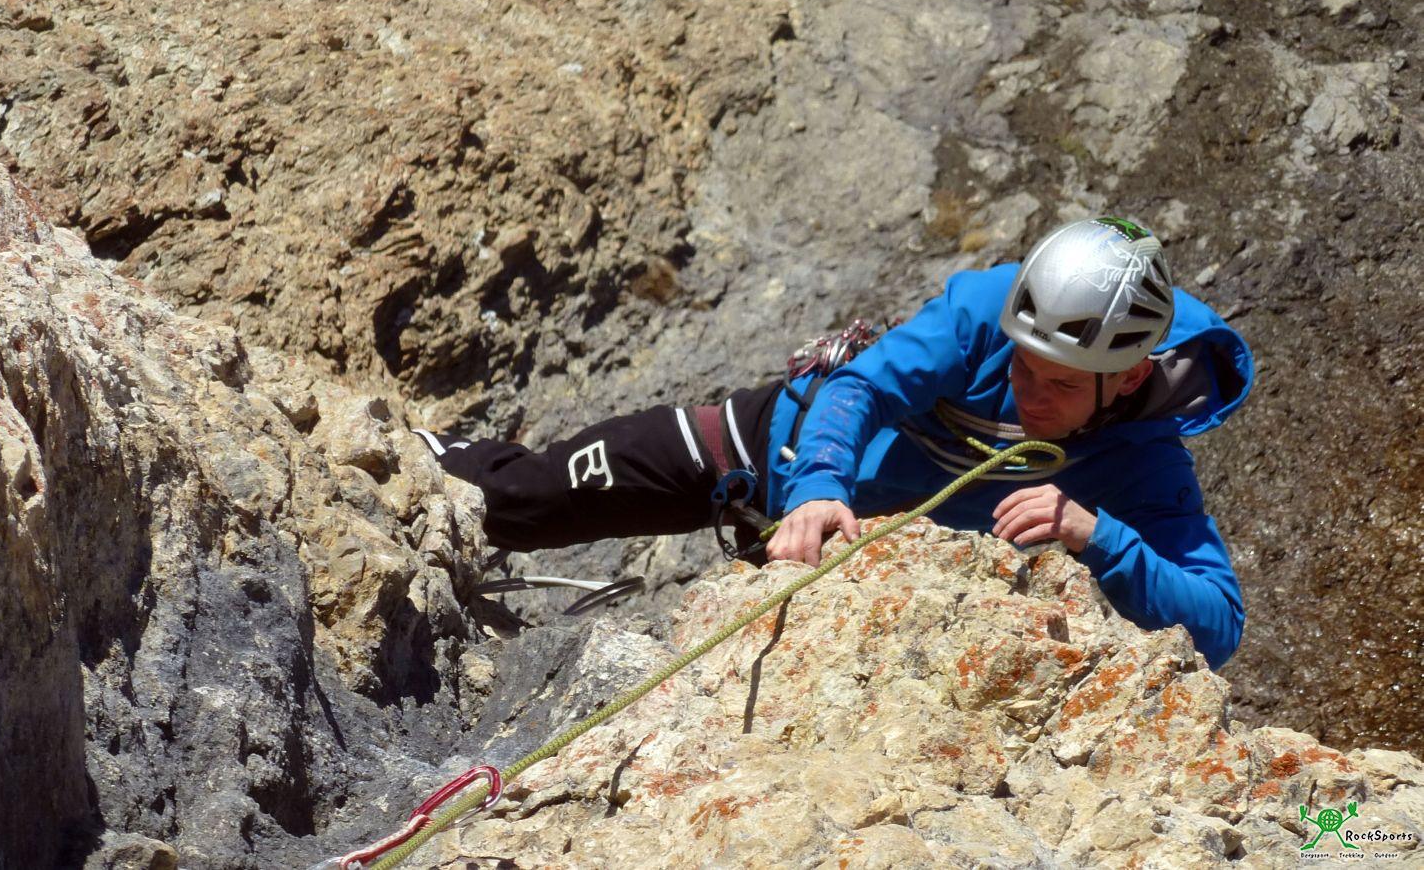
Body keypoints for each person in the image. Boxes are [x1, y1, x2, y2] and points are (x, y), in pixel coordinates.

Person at [417, 216, 1252, 668]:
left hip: (845, 567)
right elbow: (860, 387)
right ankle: (411, 454)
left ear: (1130, 377)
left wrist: (1099, 537)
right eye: (1022, 366)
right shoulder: (985, 310)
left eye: (1061, 385)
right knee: (517, 498)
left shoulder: (1144, 460)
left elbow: (1218, 625)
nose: (1028, 392)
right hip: (759, 453)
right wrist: (820, 483)